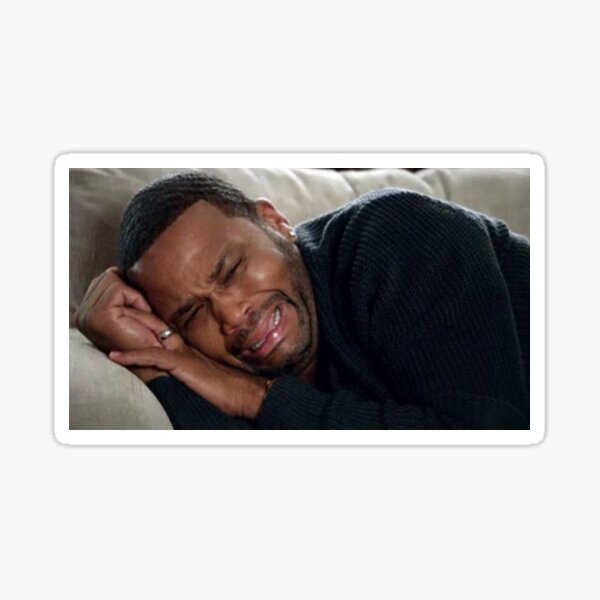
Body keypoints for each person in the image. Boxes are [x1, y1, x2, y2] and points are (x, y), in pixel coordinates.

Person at [74, 171, 530, 429]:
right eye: (193, 313)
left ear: (275, 222)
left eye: (232, 270)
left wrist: (257, 399)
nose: (231, 315)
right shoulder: (215, 362)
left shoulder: (394, 234)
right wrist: (152, 362)